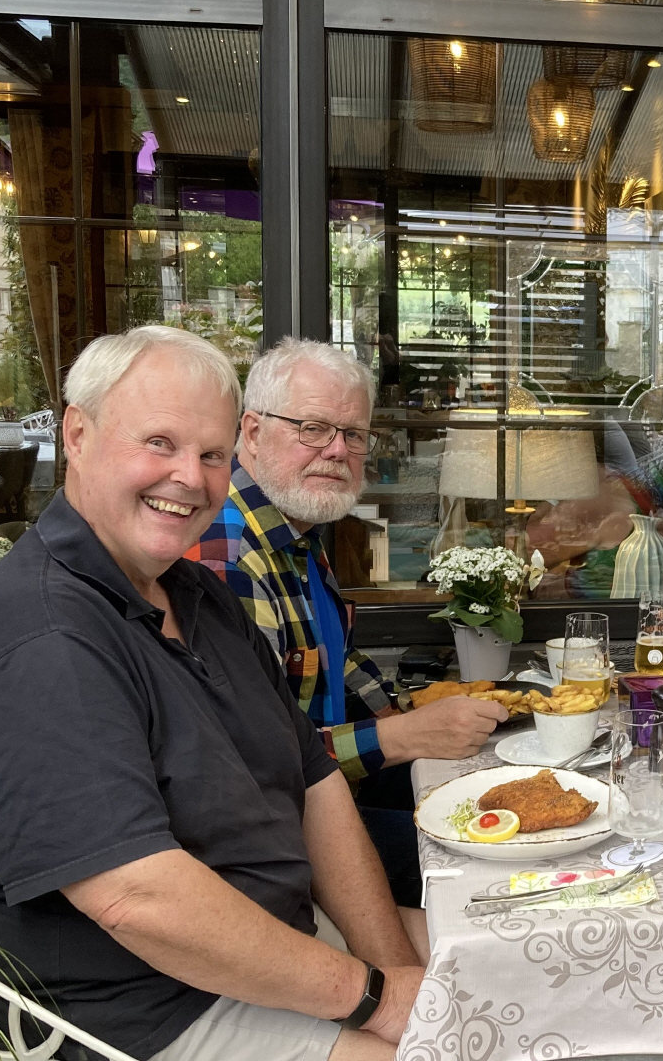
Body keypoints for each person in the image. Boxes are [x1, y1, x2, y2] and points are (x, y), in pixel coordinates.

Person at [0, 326, 421, 1061]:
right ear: (78, 434)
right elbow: (136, 900)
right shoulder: (39, 635)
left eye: (211, 455)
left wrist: (398, 972)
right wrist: (378, 999)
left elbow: (315, 782)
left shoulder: (194, 593)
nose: (190, 478)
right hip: (123, 1012)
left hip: (263, 942)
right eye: (160, 443)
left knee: (499, 949)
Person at [190, 339, 504, 946]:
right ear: (251, 431)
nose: (337, 450)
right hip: (283, 845)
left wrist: (418, 709)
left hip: (335, 796)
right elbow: (254, 763)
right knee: (499, 865)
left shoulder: (296, 531)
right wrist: (403, 735)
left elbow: (335, 659)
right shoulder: (226, 558)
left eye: (354, 434)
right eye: (312, 429)